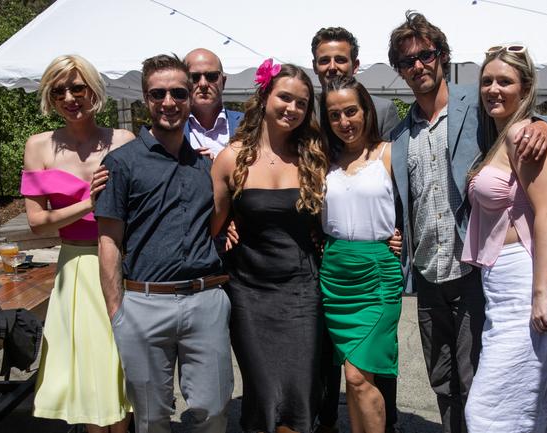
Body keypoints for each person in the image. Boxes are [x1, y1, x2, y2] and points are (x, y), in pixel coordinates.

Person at [387, 11, 547, 433]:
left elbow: (525, 114)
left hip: (473, 272)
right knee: (442, 380)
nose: (418, 65)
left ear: (442, 56)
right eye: (406, 61)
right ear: (399, 70)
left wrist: (545, 125)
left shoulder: (478, 103)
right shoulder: (399, 134)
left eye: (425, 55)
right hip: (429, 276)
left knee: (481, 384)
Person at [96, 54, 233, 433]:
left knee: (213, 409)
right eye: (158, 93)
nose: (168, 101)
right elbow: (108, 240)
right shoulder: (121, 163)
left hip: (206, 301)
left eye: (177, 92)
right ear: (145, 98)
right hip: (143, 304)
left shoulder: (206, 165)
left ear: (190, 97)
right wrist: (117, 313)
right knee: (152, 417)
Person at [211, 60, 328, 433]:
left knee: (300, 393)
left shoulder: (313, 157)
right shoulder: (231, 159)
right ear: (265, 96)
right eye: (285, 98)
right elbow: (210, 224)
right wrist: (226, 224)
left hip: (302, 292)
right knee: (263, 393)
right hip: (249, 291)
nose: (292, 109)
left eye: (302, 103)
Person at [21, 54, 133, 433]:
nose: (69, 97)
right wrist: (89, 203)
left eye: (77, 87)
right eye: (58, 92)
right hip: (77, 270)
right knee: (90, 377)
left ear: (93, 89)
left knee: (122, 373)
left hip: (123, 264)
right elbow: (37, 224)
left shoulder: (123, 140)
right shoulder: (39, 146)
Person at [461, 44, 547, 433]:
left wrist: (540, 292)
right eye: (487, 81)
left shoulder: (523, 133)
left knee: (490, 412)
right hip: (501, 288)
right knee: (522, 406)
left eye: (504, 81)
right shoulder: (502, 134)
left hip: (525, 284)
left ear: (525, 88)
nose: (493, 88)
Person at [311, 26, 401, 433]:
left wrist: (404, 240)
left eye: (351, 111)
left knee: (360, 377)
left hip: (376, 275)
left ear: (366, 110)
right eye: (335, 115)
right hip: (335, 275)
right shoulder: (322, 162)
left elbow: (413, 206)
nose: (345, 121)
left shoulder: (389, 154)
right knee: (351, 377)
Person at [183, 48, 244, 158]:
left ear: (223, 82)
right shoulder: (172, 128)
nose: (203, 84)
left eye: (211, 76)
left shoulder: (248, 124)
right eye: (194, 77)